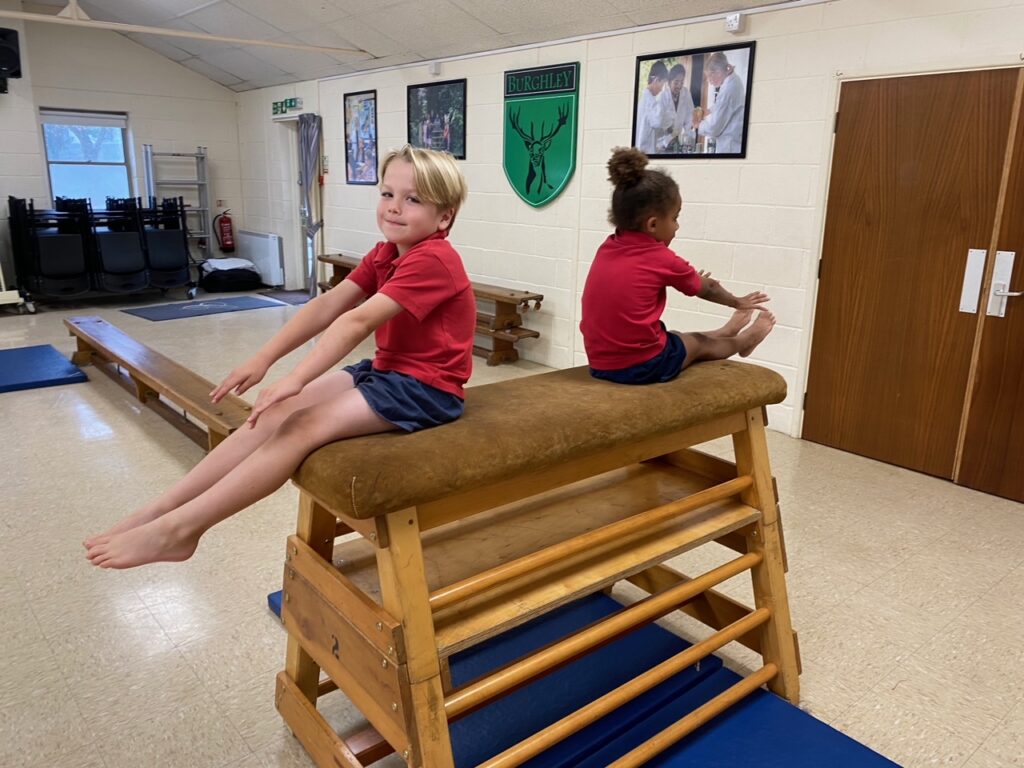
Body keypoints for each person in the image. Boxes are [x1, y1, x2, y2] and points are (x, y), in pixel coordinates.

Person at [83, 146, 474, 569]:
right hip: (386, 372)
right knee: (270, 414)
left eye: (413, 199)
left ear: (444, 217)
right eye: (387, 194)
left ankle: (182, 531)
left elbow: (355, 322)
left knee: (299, 425)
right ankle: (162, 509)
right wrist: (263, 358)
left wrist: (298, 377)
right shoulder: (384, 253)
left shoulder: (435, 259)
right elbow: (326, 307)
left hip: (427, 389)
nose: (394, 208)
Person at [580, 147, 774, 384]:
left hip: (601, 364)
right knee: (696, 344)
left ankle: (724, 332)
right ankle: (744, 342)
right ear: (652, 224)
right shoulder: (661, 258)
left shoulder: (608, 247)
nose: (677, 226)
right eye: (675, 218)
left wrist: (688, 278)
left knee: (675, 338)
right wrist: (738, 301)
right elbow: (709, 288)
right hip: (642, 367)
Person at [693, 51, 746, 154]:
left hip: (730, 146)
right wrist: (708, 111)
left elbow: (714, 128)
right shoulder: (733, 80)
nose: (709, 81)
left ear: (718, 72)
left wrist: (698, 125)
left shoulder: (728, 89)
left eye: (709, 76)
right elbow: (723, 105)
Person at [657, 63, 696, 153]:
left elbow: (689, 118)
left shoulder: (686, 94)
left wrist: (687, 138)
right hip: (662, 143)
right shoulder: (662, 96)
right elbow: (660, 122)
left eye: (682, 82)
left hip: (678, 142)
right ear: (669, 81)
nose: (679, 85)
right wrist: (670, 137)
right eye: (676, 82)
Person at [635, 60, 671, 154]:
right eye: (662, 85)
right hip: (644, 153)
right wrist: (665, 95)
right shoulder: (649, 101)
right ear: (656, 80)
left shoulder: (647, 99)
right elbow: (657, 122)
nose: (661, 89)